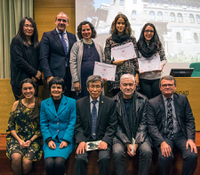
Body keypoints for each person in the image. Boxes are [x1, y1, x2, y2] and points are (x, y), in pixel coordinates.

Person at [147, 75, 198, 175]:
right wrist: (161, 142)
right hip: (163, 136)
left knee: (192, 155)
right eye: (164, 85)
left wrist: (191, 139)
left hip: (180, 135)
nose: (167, 87)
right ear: (160, 87)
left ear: (175, 86)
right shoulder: (152, 103)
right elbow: (151, 125)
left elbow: (190, 120)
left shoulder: (183, 99)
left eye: (170, 85)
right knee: (166, 156)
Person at [74, 75, 117, 175]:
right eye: (92, 86)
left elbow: (112, 125)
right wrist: (81, 140)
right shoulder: (79, 103)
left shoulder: (110, 103)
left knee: (104, 158)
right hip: (86, 139)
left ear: (101, 88)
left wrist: (106, 140)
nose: (95, 89)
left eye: (98, 86)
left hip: (102, 139)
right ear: (87, 88)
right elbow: (77, 125)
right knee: (80, 158)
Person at [112, 74, 152, 175]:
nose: (128, 87)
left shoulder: (144, 100)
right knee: (117, 152)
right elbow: (115, 125)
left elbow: (144, 123)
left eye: (130, 84)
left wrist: (136, 142)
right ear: (120, 86)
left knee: (146, 151)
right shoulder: (113, 102)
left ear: (135, 85)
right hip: (120, 136)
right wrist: (126, 142)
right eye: (125, 85)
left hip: (141, 135)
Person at [40, 77, 76, 175]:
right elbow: (43, 123)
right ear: (50, 89)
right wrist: (48, 140)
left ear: (63, 90)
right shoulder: (44, 103)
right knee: (49, 163)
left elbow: (72, 122)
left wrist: (66, 140)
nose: (56, 90)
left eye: (59, 87)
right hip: (50, 140)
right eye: (53, 87)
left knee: (59, 162)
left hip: (65, 140)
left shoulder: (72, 102)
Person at [6, 78, 42, 175]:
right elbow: (10, 126)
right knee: (16, 158)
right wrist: (19, 140)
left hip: (33, 139)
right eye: (25, 89)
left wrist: (30, 140)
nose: (28, 91)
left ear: (34, 89)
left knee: (26, 162)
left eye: (30, 88)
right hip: (17, 138)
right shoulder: (16, 104)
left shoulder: (40, 105)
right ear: (21, 90)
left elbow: (41, 128)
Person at [40, 12, 77, 97]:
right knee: (55, 100)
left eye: (64, 21)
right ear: (55, 21)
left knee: (68, 100)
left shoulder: (72, 37)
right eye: (59, 20)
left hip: (70, 75)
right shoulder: (47, 36)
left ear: (67, 23)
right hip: (54, 75)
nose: (61, 22)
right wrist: (48, 75)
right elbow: (43, 57)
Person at [104, 13, 139, 96]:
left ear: (126, 25)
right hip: (116, 76)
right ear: (115, 25)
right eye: (118, 23)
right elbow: (106, 59)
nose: (120, 25)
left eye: (123, 23)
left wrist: (137, 74)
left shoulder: (132, 39)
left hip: (130, 73)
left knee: (131, 100)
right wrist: (113, 63)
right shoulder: (109, 40)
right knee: (117, 101)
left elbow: (136, 58)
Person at [70, 21, 105, 99]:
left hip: (96, 80)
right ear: (80, 32)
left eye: (88, 29)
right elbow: (72, 63)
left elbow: (103, 63)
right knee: (83, 102)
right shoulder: (76, 46)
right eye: (83, 30)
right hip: (82, 79)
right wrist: (75, 81)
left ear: (92, 31)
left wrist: (104, 76)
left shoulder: (99, 46)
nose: (86, 32)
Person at [10, 17, 42, 100]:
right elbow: (19, 61)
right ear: (21, 27)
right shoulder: (16, 41)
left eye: (31, 26)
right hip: (20, 81)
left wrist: (37, 73)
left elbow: (41, 59)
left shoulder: (36, 44)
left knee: (33, 108)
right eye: (26, 26)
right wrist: (34, 73)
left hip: (34, 81)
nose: (29, 28)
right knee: (22, 109)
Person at [137, 23, 167, 99]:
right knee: (146, 101)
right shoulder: (138, 46)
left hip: (156, 78)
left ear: (154, 33)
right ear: (143, 32)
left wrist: (161, 65)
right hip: (143, 78)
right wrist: (138, 68)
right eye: (146, 31)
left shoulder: (158, 45)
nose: (149, 33)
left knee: (156, 101)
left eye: (151, 31)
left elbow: (164, 59)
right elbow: (135, 61)